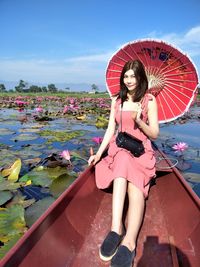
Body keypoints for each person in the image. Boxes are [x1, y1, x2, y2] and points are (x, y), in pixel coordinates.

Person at [88, 59, 159, 267]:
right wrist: (99, 154)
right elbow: (111, 130)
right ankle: (116, 228)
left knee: (134, 182)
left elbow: (154, 134)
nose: (129, 80)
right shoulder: (116, 100)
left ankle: (129, 241)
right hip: (120, 149)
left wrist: (139, 120)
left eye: (133, 76)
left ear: (140, 77)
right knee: (121, 159)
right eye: (126, 76)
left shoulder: (149, 100)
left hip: (140, 151)